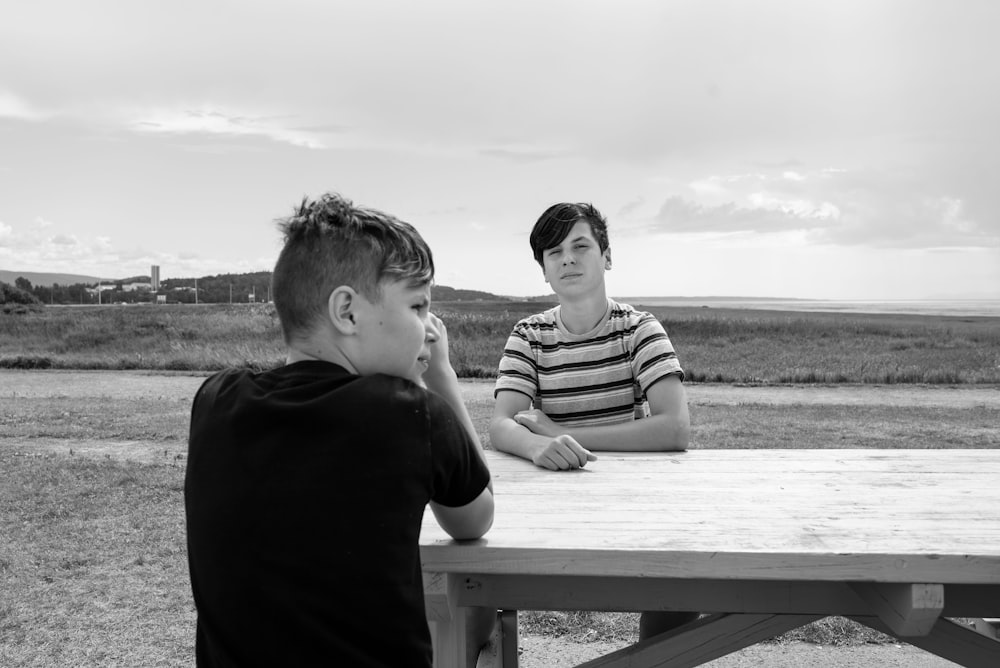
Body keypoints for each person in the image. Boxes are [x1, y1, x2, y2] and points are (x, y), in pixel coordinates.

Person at [185, 192, 495, 667]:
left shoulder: (214, 400)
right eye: (417, 307)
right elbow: (474, 519)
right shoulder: (412, 414)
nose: (429, 330)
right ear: (347, 312)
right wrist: (440, 375)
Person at [489, 201, 696, 639]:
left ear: (606, 256)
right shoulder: (529, 335)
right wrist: (536, 446)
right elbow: (501, 424)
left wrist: (564, 435)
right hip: (543, 512)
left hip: (630, 506)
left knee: (684, 580)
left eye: (580, 246)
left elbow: (675, 427)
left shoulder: (639, 329)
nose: (567, 258)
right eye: (553, 252)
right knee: (471, 580)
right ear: (543, 271)